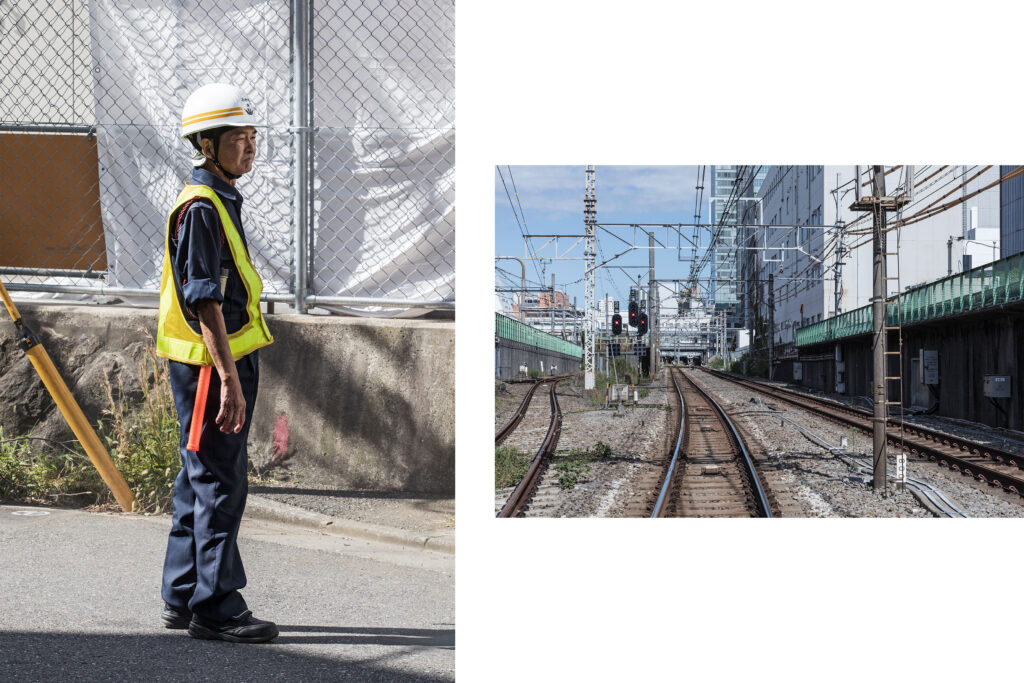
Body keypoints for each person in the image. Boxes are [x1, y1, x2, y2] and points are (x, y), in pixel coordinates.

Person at [155, 83, 277, 643]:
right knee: (220, 482)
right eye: (237, 137)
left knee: (197, 476)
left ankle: (182, 593)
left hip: (212, 362)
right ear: (206, 145)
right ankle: (217, 607)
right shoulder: (202, 207)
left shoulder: (218, 198)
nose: (250, 146)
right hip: (212, 365)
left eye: (253, 135)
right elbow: (203, 298)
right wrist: (229, 378)